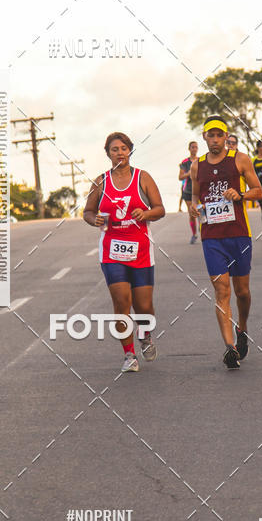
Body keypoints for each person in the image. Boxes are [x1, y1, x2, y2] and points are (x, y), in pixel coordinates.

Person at [83, 132, 165, 373]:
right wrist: (94, 219)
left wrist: (146, 214)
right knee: (121, 302)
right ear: (107, 153)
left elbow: (160, 209)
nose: (119, 153)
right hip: (112, 251)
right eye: (114, 149)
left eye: (123, 148)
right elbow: (87, 211)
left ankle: (145, 333)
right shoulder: (100, 182)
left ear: (130, 151)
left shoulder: (143, 178)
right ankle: (129, 355)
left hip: (140, 250)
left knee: (144, 306)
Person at [189, 116, 262, 369]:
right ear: (205, 137)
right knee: (222, 291)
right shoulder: (197, 166)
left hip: (239, 234)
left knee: (242, 291)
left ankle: (241, 329)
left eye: (219, 135)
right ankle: (230, 347)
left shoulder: (240, 159)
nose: (215, 139)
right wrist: (194, 207)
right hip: (212, 237)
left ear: (225, 136)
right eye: (211, 135)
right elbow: (196, 195)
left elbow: (259, 190)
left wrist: (240, 194)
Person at [178, 141, 199, 243]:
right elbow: (180, 177)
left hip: (199, 190)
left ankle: (203, 230)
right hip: (188, 191)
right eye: (192, 147)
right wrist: (189, 173)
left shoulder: (201, 161)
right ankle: (194, 234)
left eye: (196, 147)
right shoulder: (185, 162)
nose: (194, 149)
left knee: (202, 212)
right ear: (189, 148)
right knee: (192, 213)